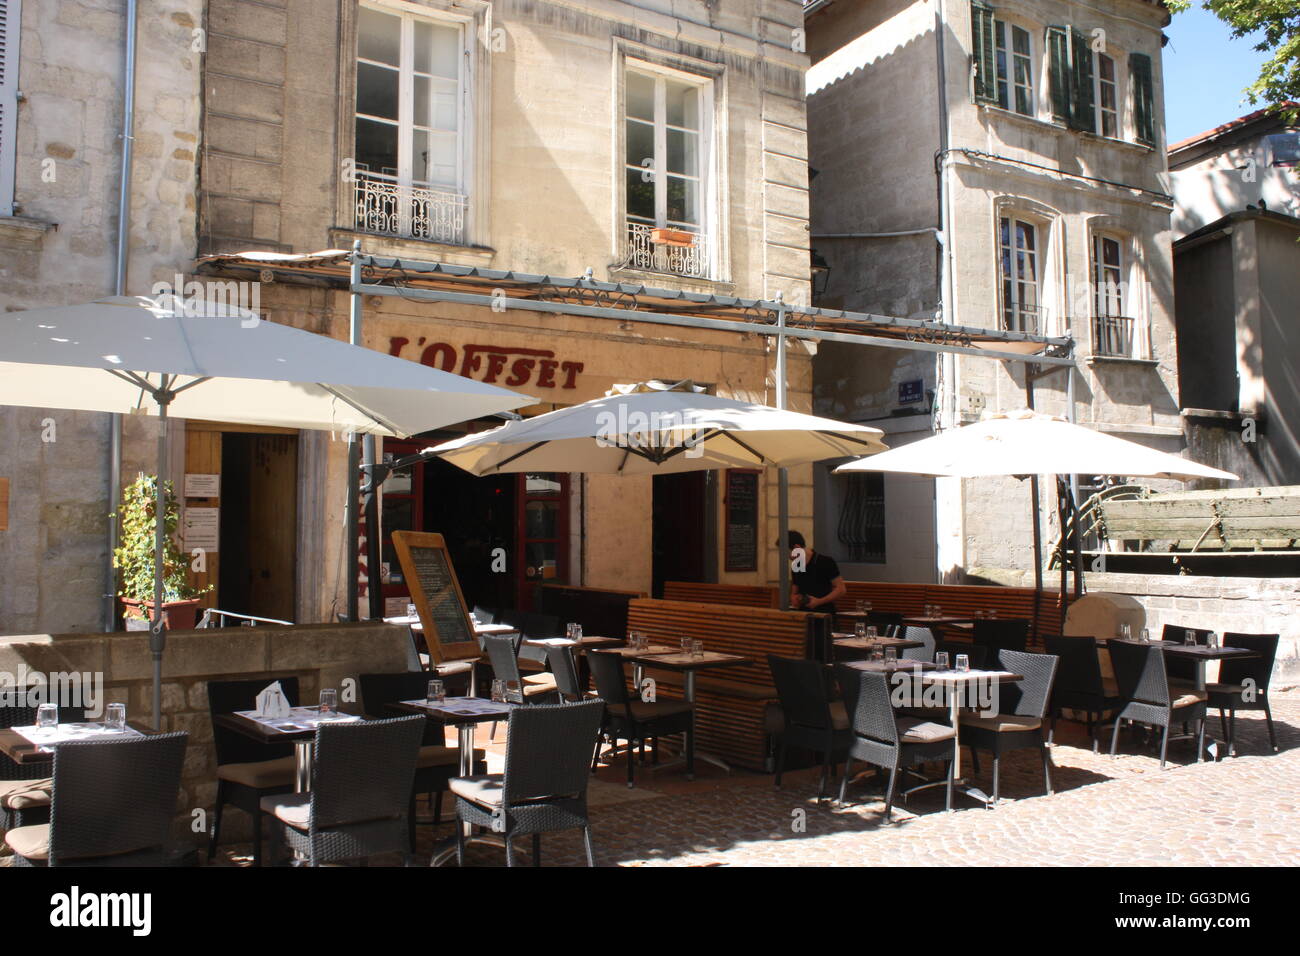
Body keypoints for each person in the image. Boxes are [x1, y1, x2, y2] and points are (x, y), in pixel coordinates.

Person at [781, 531, 846, 613]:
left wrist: (819, 601)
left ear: (796, 548)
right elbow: (794, 591)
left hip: (824, 613)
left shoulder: (825, 561)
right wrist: (794, 598)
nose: (787, 557)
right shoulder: (796, 565)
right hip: (803, 615)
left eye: (787, 553)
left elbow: (841, 589)